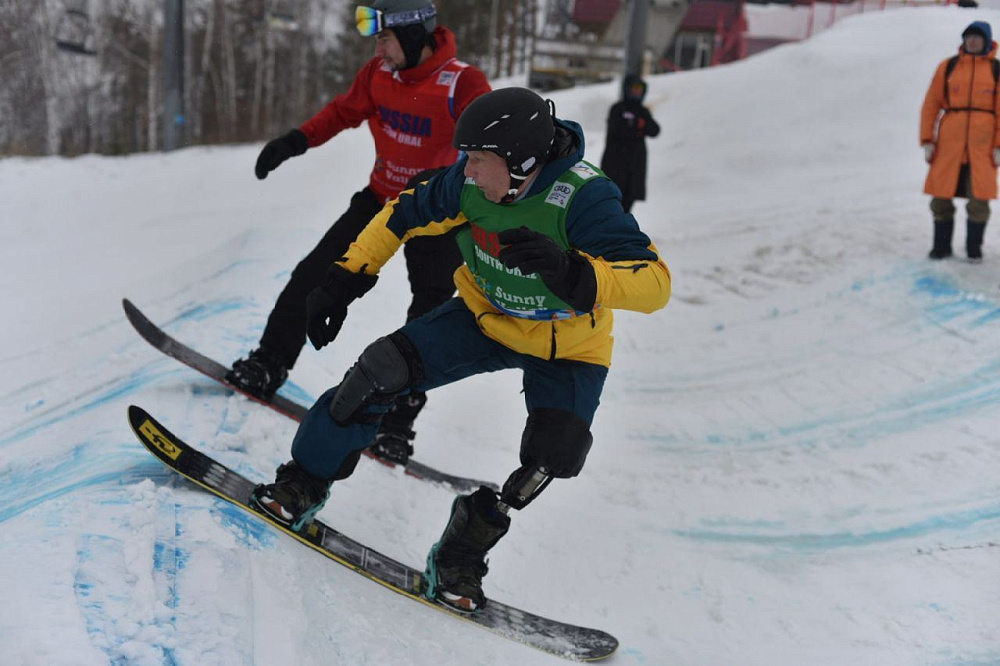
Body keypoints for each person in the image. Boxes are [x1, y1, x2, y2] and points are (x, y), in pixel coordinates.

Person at [248, 87, 672, 613]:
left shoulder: (586, 197)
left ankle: (462, 550)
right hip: (482, 318)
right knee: (376, 373)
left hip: (567, 346)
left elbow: (654, 283)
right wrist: (346, 278)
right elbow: (400, 212)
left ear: (520, 163)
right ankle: (303, 482)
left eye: (477, 160)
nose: (466, 170)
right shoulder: (467, 186)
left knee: (554, 456)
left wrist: (577, 274)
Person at [227, 1, 491, 465]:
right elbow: (342, 113)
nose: (378, 48)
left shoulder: (462, 82)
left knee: (428, 315)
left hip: (439, 212)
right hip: (381, 198)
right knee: (314, 274)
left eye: (384, 38)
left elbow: (489, 146)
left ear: (412, 35)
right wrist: (295, 141)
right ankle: (269, 363)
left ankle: (396, 425)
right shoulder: (378, 74)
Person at [920, 20, 1000, 263]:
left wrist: (999, 145)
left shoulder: (996, 70)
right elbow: (931, 105)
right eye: (969, 37)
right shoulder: (948, 67)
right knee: (940, 197)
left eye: (977, 37)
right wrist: (927, 139)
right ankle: (941, 247)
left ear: (987, 41)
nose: (972, 41)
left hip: (982, 146)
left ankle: (973, 249)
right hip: (949, 144)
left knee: (979, 199)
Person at [600, 74, 660, 213]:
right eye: (635, 88)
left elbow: (654, 130)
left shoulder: (643, 111)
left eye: (640, 89)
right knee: (611, 203)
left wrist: (641, 125)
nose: (637, 92)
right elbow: (619, 130)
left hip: (634, 168)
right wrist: (637, 128)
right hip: (615, 165)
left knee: (627, 205)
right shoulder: (618, 109)